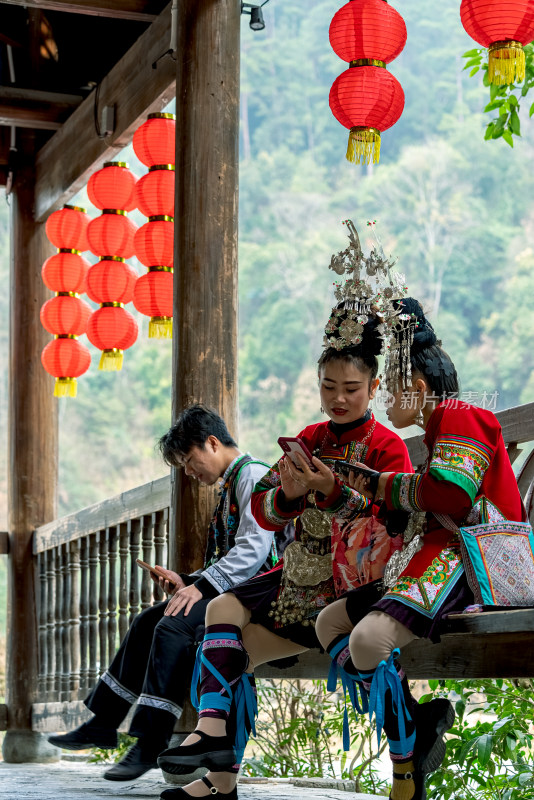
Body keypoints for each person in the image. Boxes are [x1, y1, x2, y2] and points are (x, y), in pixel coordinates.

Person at [156, 222, 413, 799]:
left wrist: (334, 494)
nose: (338, 397)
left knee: (241, 640)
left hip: (350, 584)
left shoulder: (385, 447)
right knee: (221, 611)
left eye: (351, 386)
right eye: (328, 386)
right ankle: (214, 756)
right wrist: (291, 495)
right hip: (295, 580)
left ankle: (405, 760)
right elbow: (267, 512)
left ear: (373, 388)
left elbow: (394, 523)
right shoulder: (309, 437)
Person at [315, 297, 525, 800]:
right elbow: (429, 493)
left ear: (420, 388)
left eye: (391, 387)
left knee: (366, 643)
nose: (385, 397)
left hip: (468, 558)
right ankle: (414, 725)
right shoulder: (443, 425)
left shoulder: (463, 416)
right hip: (436, 552)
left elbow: (452, 493)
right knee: (329, 624)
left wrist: (385, 485)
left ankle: (406, 752)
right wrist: (367, 487)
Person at [48, 404, 289, 781]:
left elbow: (254, 552)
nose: (190, 473)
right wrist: (186, 580)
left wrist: (199, 587)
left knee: (172, 623)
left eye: (190, 461)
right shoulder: (233, 481)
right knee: (148, 620)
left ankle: (151, 739)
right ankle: (104, 722)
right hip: (238, 591)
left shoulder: (253, 476)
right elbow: (233, 558)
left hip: (262, 596)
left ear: (212, 443)